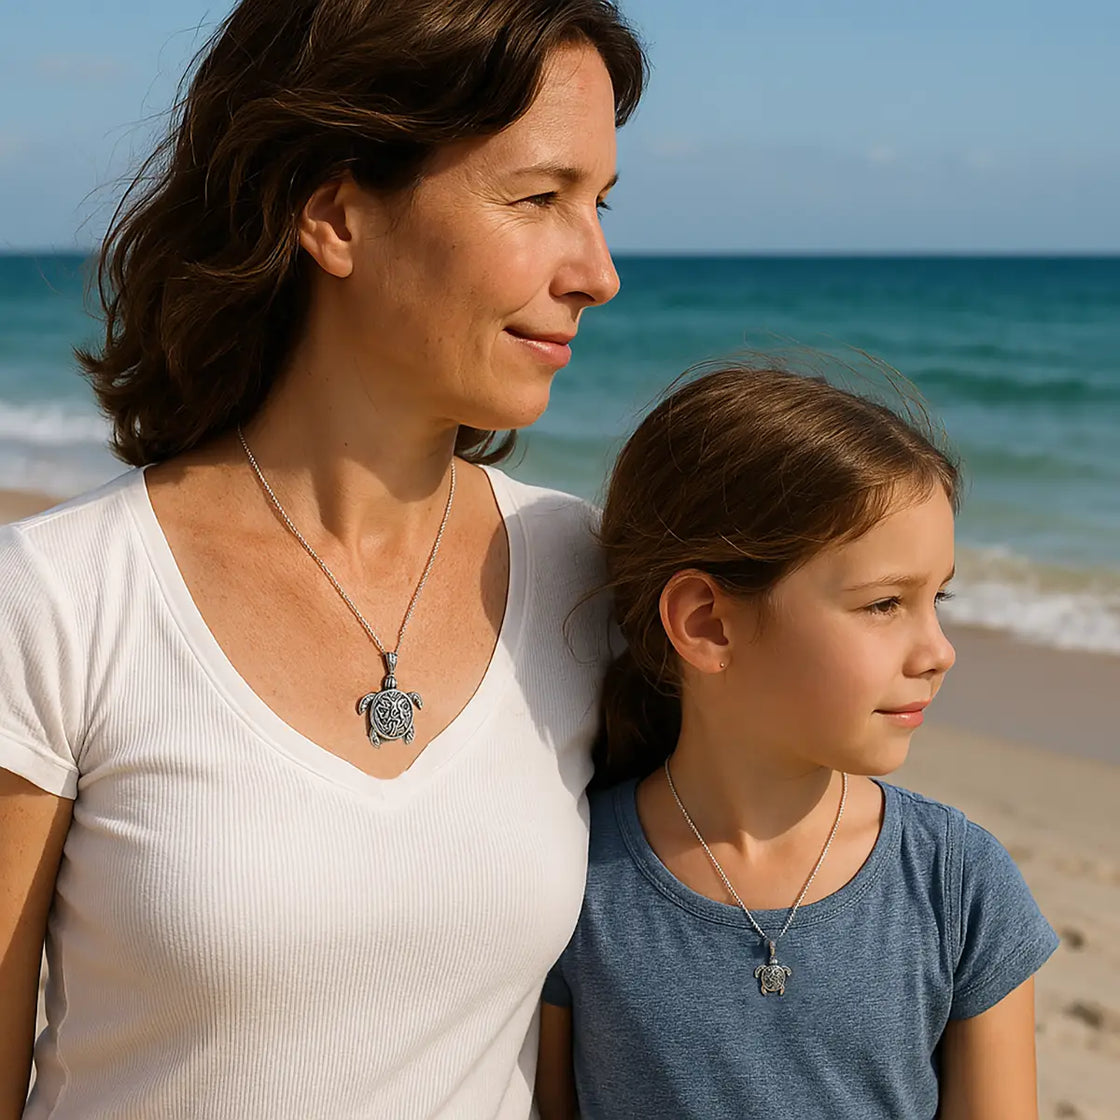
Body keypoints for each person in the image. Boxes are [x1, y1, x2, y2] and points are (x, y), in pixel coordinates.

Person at [0, 2, 646, 1117]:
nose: (596, 269)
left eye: (599, 205)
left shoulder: (590, 581)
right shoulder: (62, 599)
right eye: (540, 198)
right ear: (336, 215)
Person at [536, 366, 1058, 1119]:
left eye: (936, 598)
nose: (938, 650)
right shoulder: (575, 886)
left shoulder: (957, 882)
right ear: (708, 623)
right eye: (884, 604)